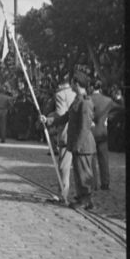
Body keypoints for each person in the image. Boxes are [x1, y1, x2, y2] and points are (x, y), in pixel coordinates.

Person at [43, 71, 96, 210]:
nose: (70, 85)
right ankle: (83, 198)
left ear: (76, 84)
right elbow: (65, 117)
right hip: (77, 143)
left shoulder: (85, 102)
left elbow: (85, 127)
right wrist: (48, 120)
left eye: (72, 82)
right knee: (79, 172)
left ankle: (85, 200)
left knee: (84, 173)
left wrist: (77, 145)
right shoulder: (77, 100)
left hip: (83, 144)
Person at [90, 80, 123, 191]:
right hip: (103, 132)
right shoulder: (108, 100)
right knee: (104, 159)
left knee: (92, 159)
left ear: (91, 87)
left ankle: (94, 184)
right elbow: (121, 108)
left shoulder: (88, 99)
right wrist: (109, 117)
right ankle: (105, 183)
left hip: (91, 132)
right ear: (100, 88)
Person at [48, 73, 76, 204]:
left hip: (66, 133)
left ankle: (63, 195)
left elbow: (61, 116)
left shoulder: (60, 95)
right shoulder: (77, 93)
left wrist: (49, 119)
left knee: (64, 166)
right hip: (80, 134)